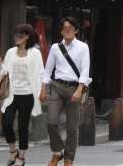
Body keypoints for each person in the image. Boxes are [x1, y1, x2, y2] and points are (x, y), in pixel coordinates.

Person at [42, 16, 91, 166]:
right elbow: (47, 70)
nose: (67, 31)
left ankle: (69, 158)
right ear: (61, 31)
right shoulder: (55, 48)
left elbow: (85, 69)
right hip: (57, 86)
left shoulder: (83, 47)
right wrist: (43, 88)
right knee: (51, 121)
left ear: (76, 30)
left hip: (75, 87)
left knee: (72, 127)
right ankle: (57, 152)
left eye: (70, 28)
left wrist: (79, 89)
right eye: (64, 28)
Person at [0, 24, 45, 166]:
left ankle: (21, 156)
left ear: (27, 37)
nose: (16, 38)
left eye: (20, 35)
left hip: (28, 95)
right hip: (11, 94)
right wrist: (0, 64)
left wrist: (42, 90)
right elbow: (5, 73)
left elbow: (40, 73)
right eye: (16, 35)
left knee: (23, 127)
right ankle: (13, 151)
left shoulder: (35, 53)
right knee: (6, 123)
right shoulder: (11, 52)